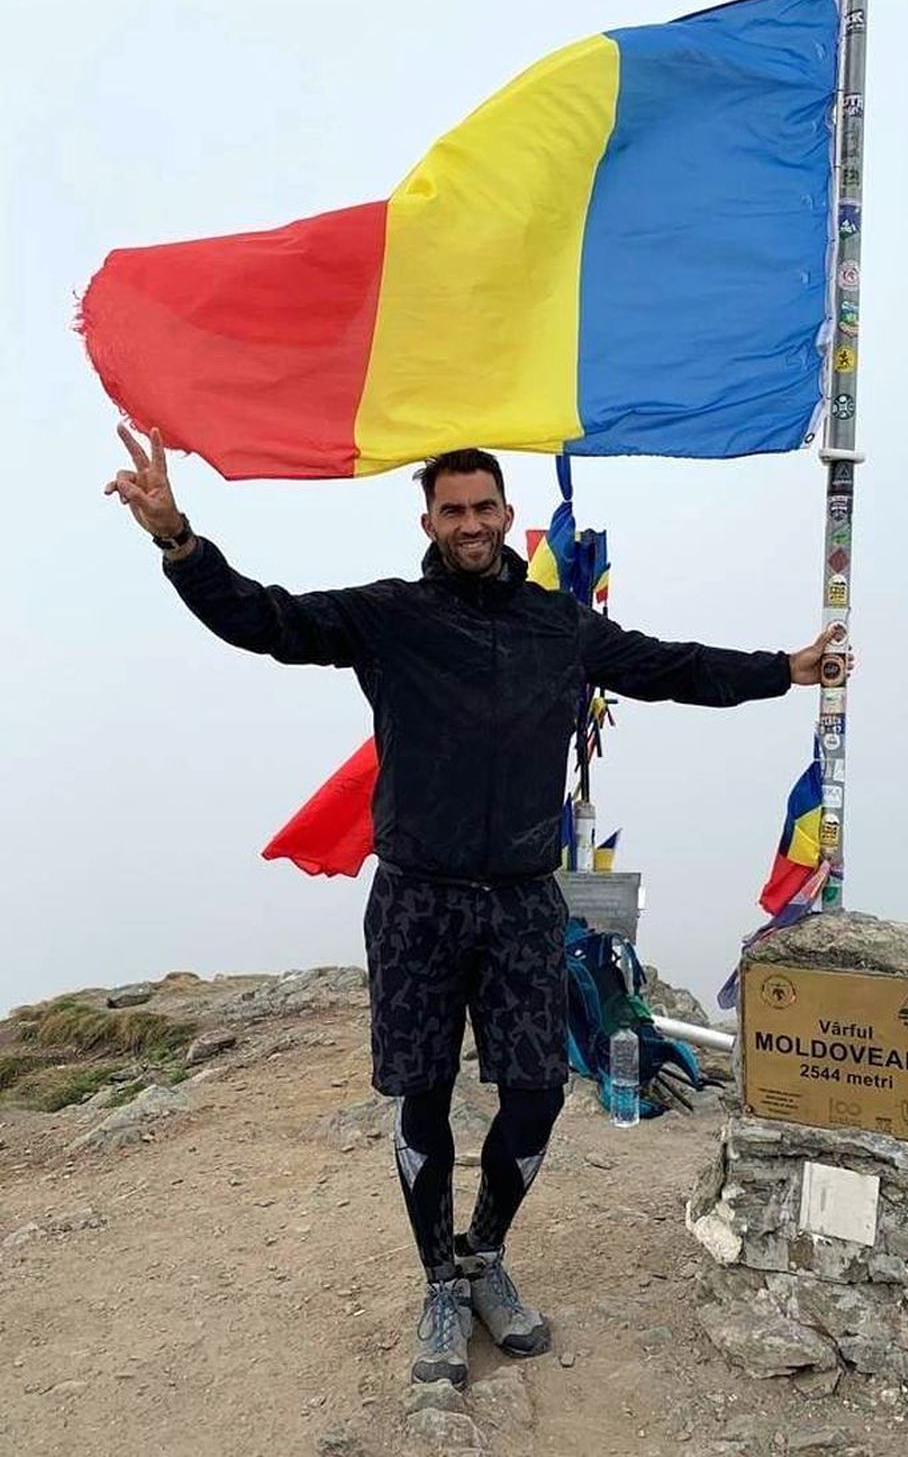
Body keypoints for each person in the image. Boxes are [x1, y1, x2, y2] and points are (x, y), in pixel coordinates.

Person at [105, 425, 840, 1390]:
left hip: (525, 901)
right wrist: (179, 541)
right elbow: (266, 620)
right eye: (451, 510)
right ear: (429, 522)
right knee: (423, 1096)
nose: (469, 523)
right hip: (417, 901)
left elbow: (667, 667)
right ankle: (439, 1282)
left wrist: (780, 669)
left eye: (483, 507)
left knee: (535, 1093)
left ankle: (485, 1253)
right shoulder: (389, 615)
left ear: (506, 517)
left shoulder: (558, 625)